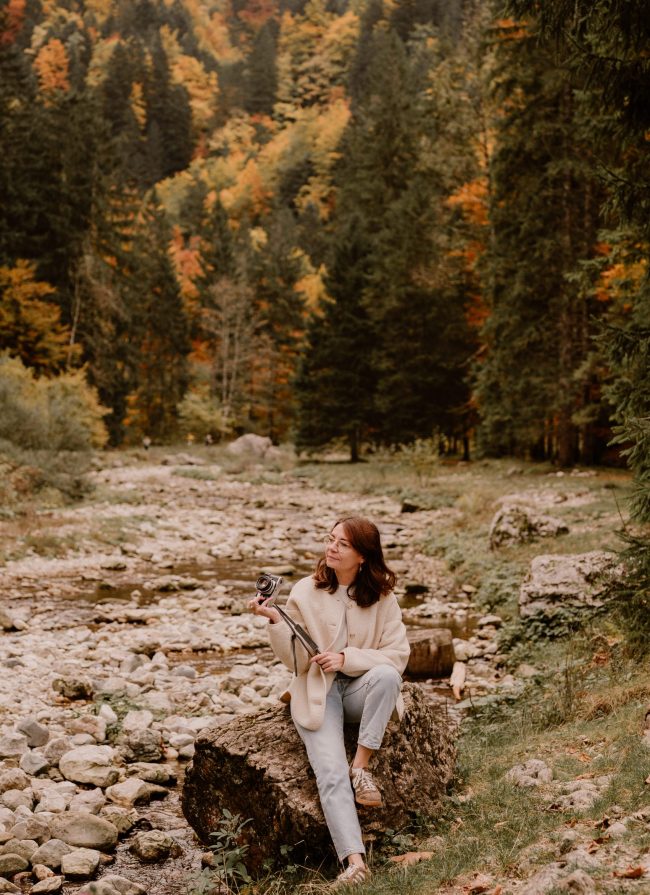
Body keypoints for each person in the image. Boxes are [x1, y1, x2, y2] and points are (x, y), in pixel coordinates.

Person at [248, 516, 410, 889]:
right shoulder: (305, 591)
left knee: (386, 677)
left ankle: (361, 767)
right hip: (316, 691)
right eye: (330, 539)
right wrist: (274, 621)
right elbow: (297, 663)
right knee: (329, 772)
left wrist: (347, 658)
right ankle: (355, 863)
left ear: (364, 557)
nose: (331, 547)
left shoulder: (384, 598)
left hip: (361, 690)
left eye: (343, 544)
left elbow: (397, 657)